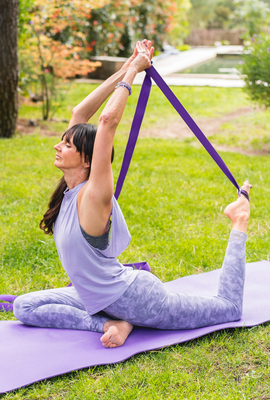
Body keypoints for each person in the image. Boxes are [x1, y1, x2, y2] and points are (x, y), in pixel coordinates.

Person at [13, 40, 252, 349]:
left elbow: (107, 121)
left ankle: (239, 218)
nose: (57, 146)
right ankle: (111, 323)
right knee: (24, 306)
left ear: (87, 160)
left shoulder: (94, 194)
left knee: (228, 309)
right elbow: (81, 111)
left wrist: (135, 74)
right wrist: (130, 65)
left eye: (67, 145)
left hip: (137, 299)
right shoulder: (70, 189)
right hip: (101, 300)